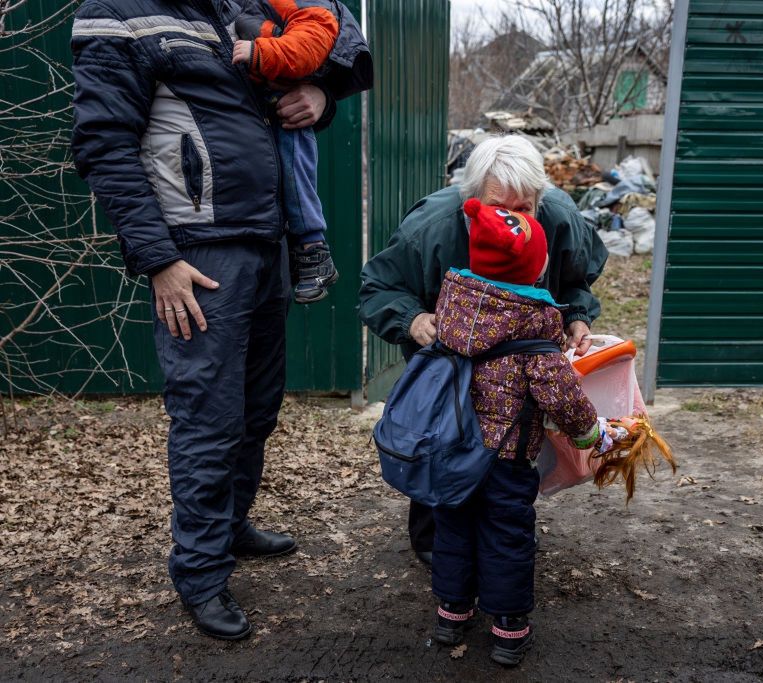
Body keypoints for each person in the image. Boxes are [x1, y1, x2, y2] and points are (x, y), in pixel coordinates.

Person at [70, 0, 370, 640]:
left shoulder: (241, 7)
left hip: (268, 242)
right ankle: (201, 572)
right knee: (208, 416)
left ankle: (230, 526)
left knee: (257, 408)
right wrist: (158, 261)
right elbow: (104, 144)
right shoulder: (118, 15)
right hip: (198, 256)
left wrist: (320, 94)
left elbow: (332, 30)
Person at [358, 135, 609, 565]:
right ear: (471, 200)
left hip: (517, 378)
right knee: (444, 449)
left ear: (540, 200)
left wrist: (576, 317)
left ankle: (502, 543)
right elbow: (378, 289)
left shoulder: (559, 217)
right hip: (446, 374)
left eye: (524, 209)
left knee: (510, 459)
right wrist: (414, 321)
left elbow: (576, 280)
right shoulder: (431, 227)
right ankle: (435, 547)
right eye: (499, 208)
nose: (514, 225)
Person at [430, 197, 612, 666]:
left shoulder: (453, 305)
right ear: (535, 270)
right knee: (507, 535)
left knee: (453, 527)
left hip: (452, 447)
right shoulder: (536, 324)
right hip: (506, 458)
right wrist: (593, 434)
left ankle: (450, 613)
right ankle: (508, 627)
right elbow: (562, 396)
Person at [231, 0, 356, 304]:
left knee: (293, 166)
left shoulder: (304, 5)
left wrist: (260, 52)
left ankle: (312, 248)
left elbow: (309, 43)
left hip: (277, 106)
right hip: (232, 212)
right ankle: (310, 250)